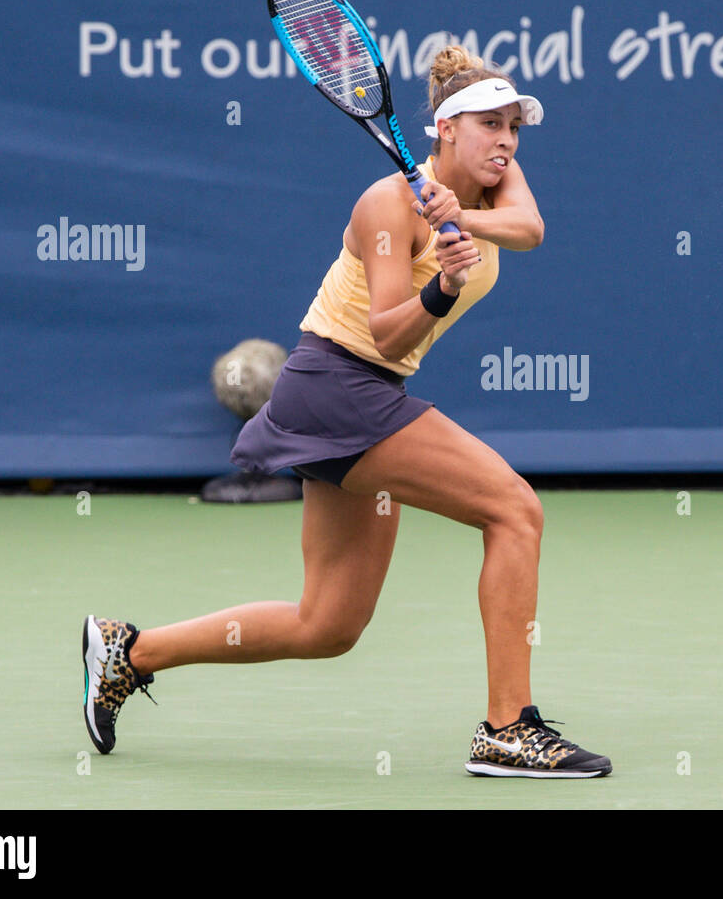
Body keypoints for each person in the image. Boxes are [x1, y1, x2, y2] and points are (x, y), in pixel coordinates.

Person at [82, 45, 611, 778]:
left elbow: (530, 228)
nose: (508, 141)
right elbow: (391, 328)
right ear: (445, 130)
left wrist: (465, 221)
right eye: (491, 125)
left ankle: (128, 651)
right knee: (515, 511)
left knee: (328, 623)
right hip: (337, 384)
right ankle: (507, 729)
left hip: (366, 395)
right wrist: (443, 289)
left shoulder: (493, 182)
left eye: (515, 127)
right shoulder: (387, 204)